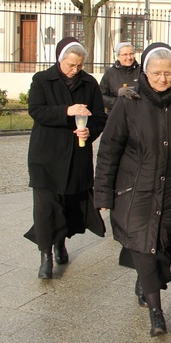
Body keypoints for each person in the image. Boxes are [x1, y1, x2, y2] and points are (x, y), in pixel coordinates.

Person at [94, 42, 171, 337]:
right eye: (156, 73)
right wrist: (102, 194)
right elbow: (108, 150)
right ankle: (157, 312)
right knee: (144, 244)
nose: (162, 79)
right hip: (134, 190)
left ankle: (145, 280)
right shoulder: (128, 104)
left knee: (160, 242)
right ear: (145, 71)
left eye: (168, 73)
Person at [25, 37, 107, 280]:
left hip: (76, 154)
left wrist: (89, 130)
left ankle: (60, 242)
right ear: (60, 60)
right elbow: (36, 110)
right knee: (45, 207)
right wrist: (66, 111)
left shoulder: (89, 83)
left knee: (69, 204)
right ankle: (45, 255)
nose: (75, 70)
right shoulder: (42, 79)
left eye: (80, 65)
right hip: (46, 156)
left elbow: (99, 117)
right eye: (71, 65)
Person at [99, 42, 139, 111]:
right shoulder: (110, 73)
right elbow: (101, 96)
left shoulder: (141, 72)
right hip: (115, 113)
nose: (129, 57)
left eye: (131, 54)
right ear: (118, 56)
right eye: (125, 54)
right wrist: (117, 102)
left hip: (137, 113)